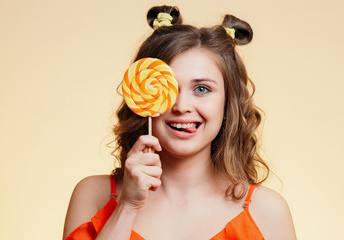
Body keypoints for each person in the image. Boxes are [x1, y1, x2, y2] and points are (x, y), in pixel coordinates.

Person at [63, 5, 296, 240]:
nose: (181, 106)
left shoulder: (266, 212)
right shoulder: (93, 195)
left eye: (202, 89)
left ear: (228, 103)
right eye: (169, 88)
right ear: (142, 94)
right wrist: (127, 207)